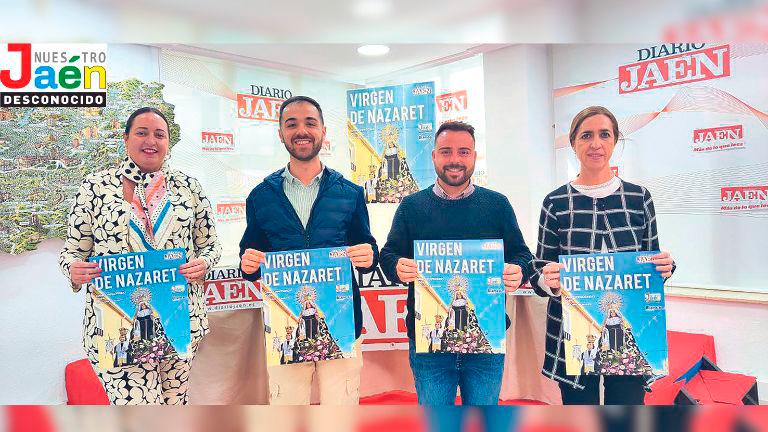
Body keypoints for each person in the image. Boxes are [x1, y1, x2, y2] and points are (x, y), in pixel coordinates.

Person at [59, 107, 222, 405]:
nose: (151, 140)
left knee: (175, 407)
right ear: (126, 139)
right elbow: (72, 251)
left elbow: (210, 245)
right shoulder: (95, 187)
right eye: (142, 132)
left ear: (168, 143)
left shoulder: (189, 187)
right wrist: (72, 269)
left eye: (159, 134)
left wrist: (205, 263)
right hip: (118, 323)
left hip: (179, 320)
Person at [379, 120, 534, 405]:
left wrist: (518, 269)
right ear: (434, 155)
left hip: (486, 336)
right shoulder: (411, 206)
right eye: (446, 151)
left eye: (464, 152)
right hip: (430, 342)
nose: (455, 160)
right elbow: (388, 255)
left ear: (474, 156)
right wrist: (398, 266)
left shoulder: (497, 205)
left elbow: (522, 254)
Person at [530, 105, 675, 405]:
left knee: (626, 412)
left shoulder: (639, 198)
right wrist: (547, 279)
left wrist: (665, 267)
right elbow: (538, 271)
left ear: (615, 141)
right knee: (579, 415)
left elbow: (650, 262)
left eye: (604, 134)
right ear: (573, 144)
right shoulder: (556, 202)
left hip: (630, 326)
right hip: (572, 333)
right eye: (586, 135)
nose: (595, 143)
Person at [239, 95, 378, 405]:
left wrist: (369, 256)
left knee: (339, 414)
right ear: (280, 133)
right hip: (285, 323)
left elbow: (367, 248)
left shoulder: (351, 193)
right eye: (291, 124)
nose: (301, 131)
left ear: (323, 131)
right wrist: (248, 264)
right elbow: (250, 258)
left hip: (342, 323)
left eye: (310, 123)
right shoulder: (260, 196)